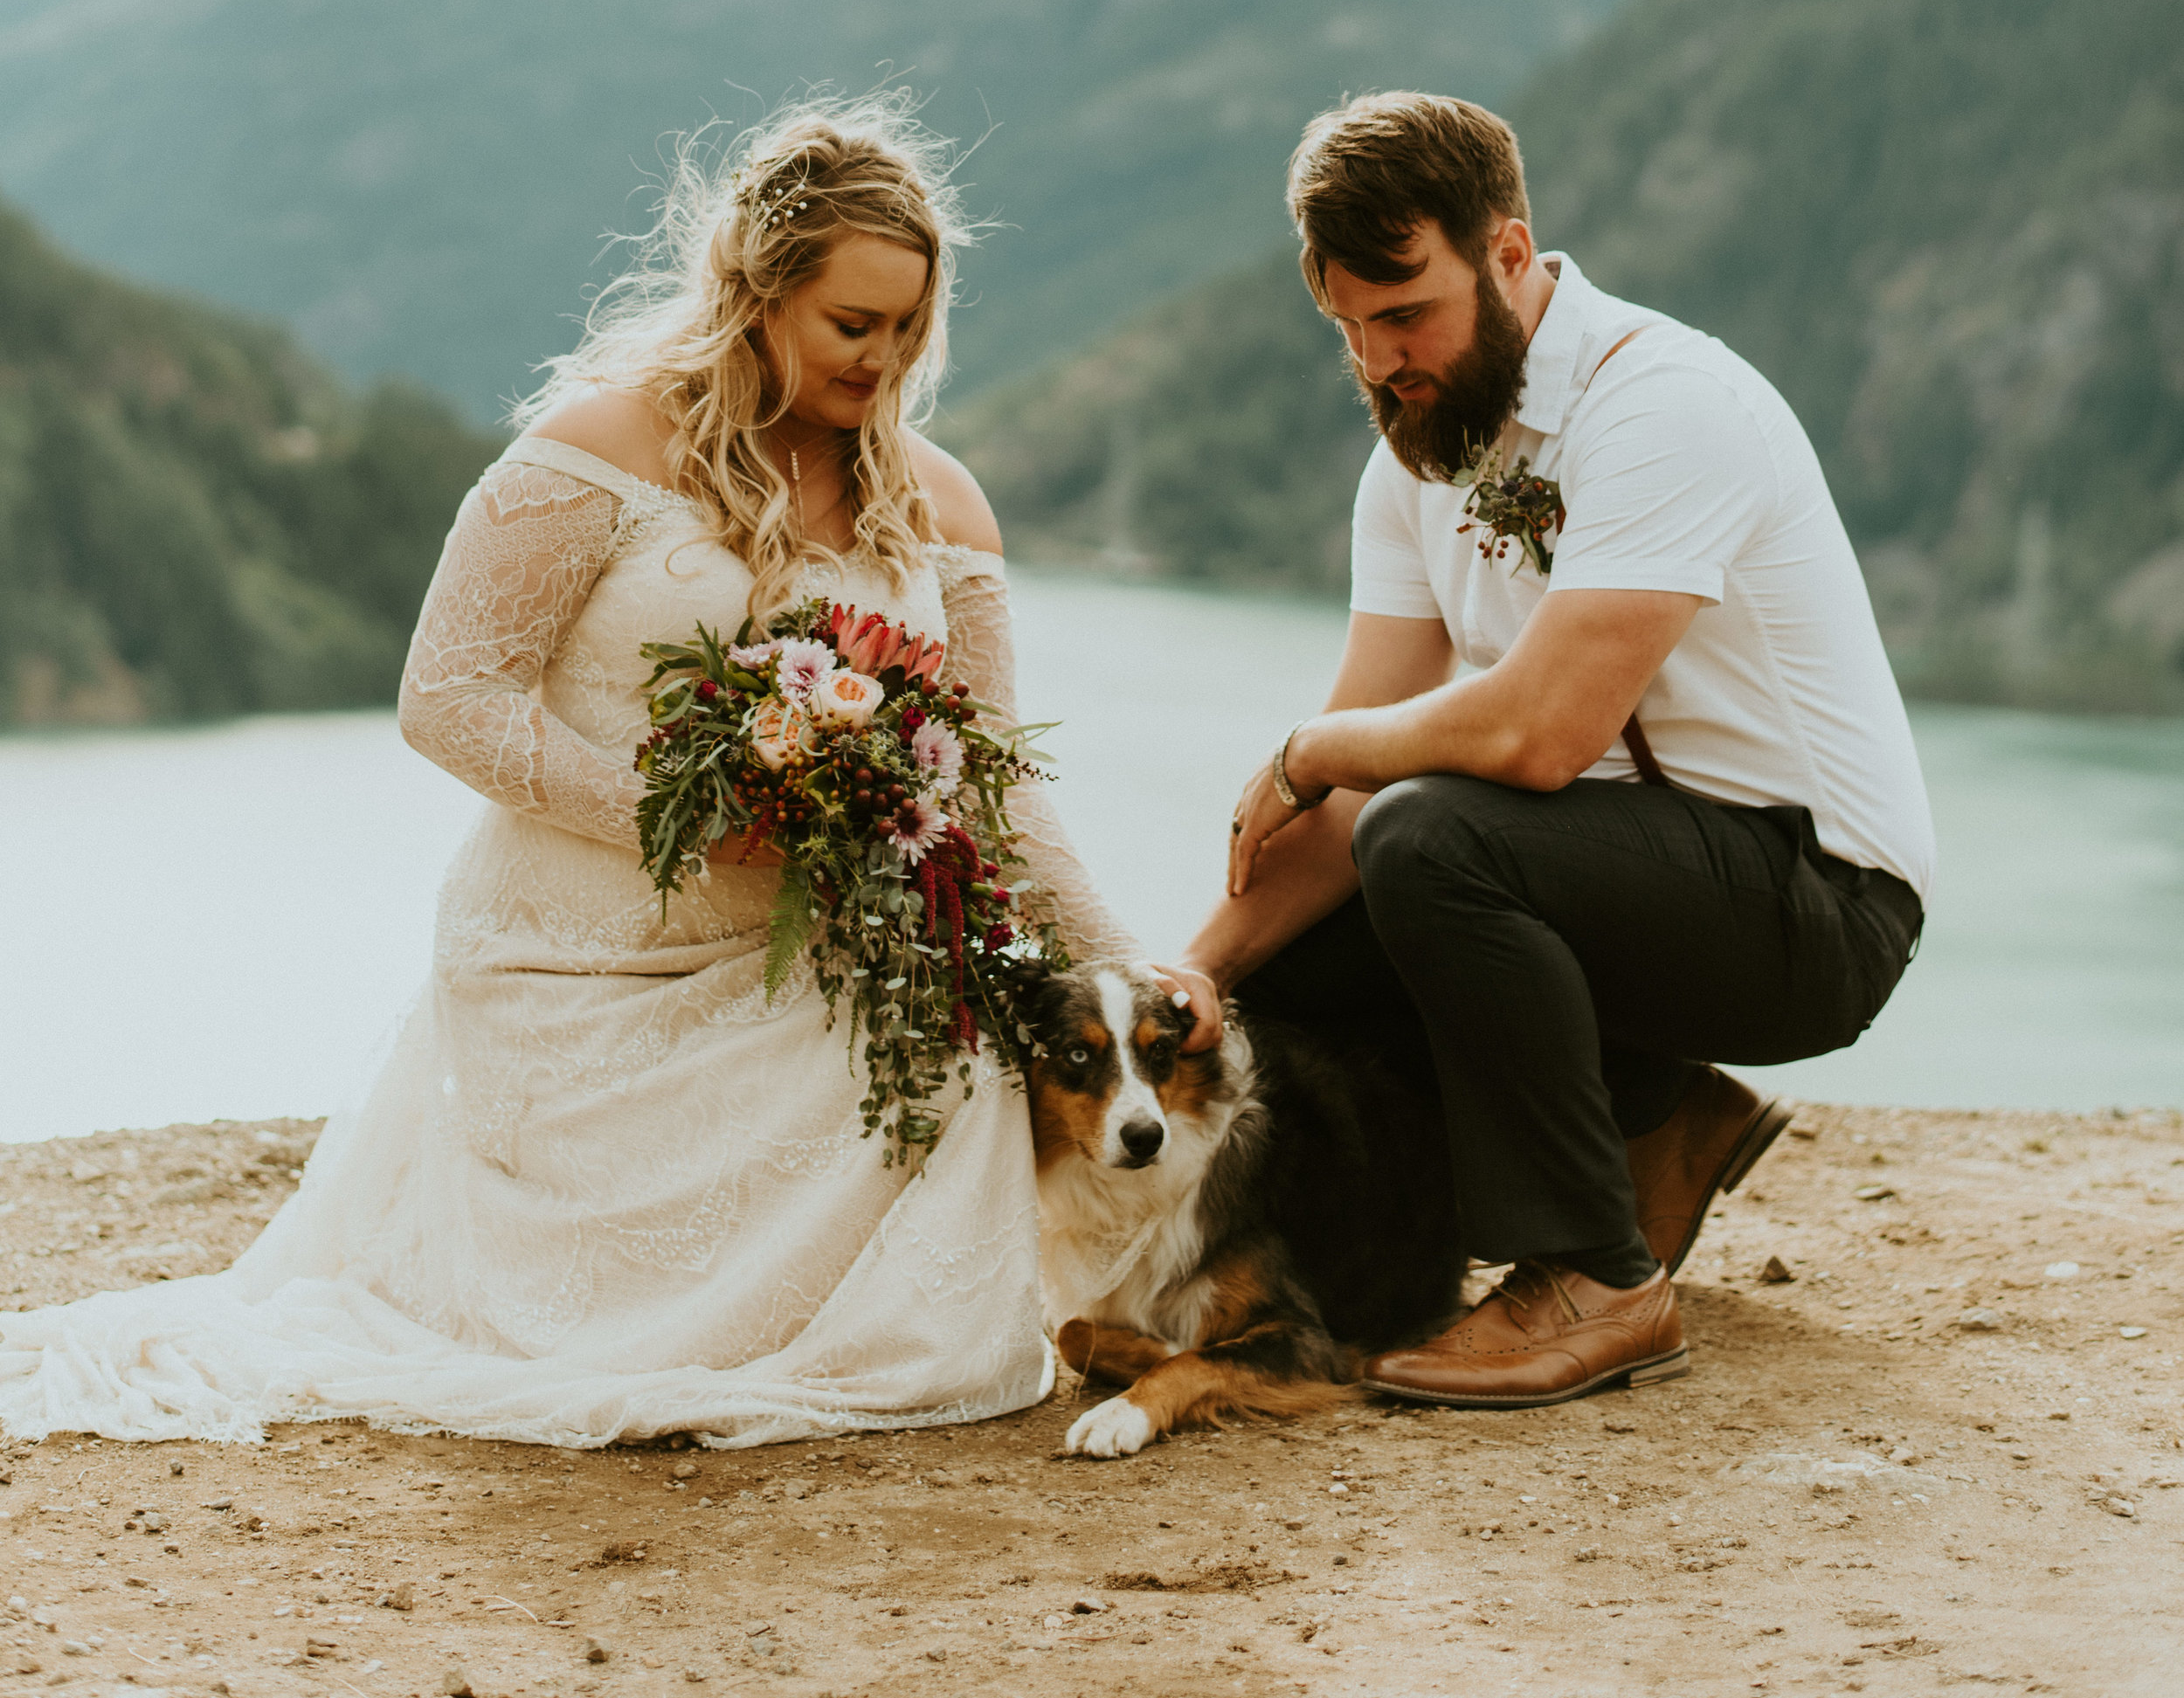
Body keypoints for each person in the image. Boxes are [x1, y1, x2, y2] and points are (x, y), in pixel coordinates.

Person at [0, 102, 1144, 1449]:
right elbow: (448, 700)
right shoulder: (598, 449)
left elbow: (989, 785)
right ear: (760, 294)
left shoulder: (941, 506)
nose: (883, 359)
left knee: (954, 1079)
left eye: (908, 327)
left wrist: (1136, 969)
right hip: (574, 977)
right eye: (852, 324)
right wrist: (692, 827)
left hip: (813, 977)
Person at [1164, 89, 1933, 1411]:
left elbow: (1536, 732)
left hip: (1817, 903)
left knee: (1431, 833)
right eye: (1351, 328)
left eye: (1409, 313)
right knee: (1299, 961)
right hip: (1628, 884)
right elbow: (1345, 800)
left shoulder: (1666, 403)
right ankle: (1658, 1115)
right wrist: (1192, 975)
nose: (1382, 359)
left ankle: (1595, 1274)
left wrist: (1316, 744)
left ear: (1511, 254)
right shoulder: (1411, 466)